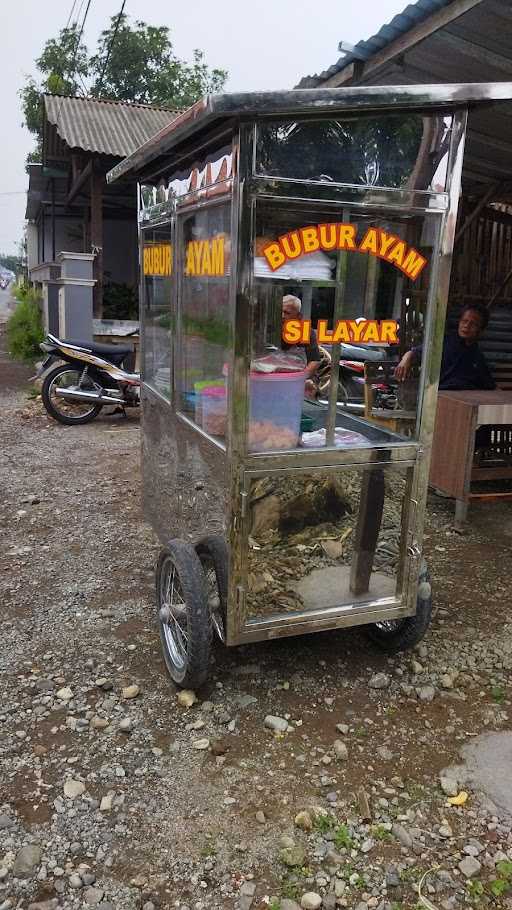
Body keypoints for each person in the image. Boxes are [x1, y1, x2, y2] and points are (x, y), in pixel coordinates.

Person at [395, 304, 495, 391]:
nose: (466, 326)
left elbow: (489, 384)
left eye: (473, 324)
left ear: (481, 330)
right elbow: (416, 352)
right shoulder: (445, 341)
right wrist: (406, 358)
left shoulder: (477, 355)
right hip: (441, 395)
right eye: (464, 321)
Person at [281, 295, 322, 390]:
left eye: (287, 313)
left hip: (299, 379)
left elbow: (314, 361)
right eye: (280, 311)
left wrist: (298, 380)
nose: (282, 316)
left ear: (299, 316)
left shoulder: (306, 332)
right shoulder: (269, 329)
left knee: (308, 385)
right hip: (273, 378)